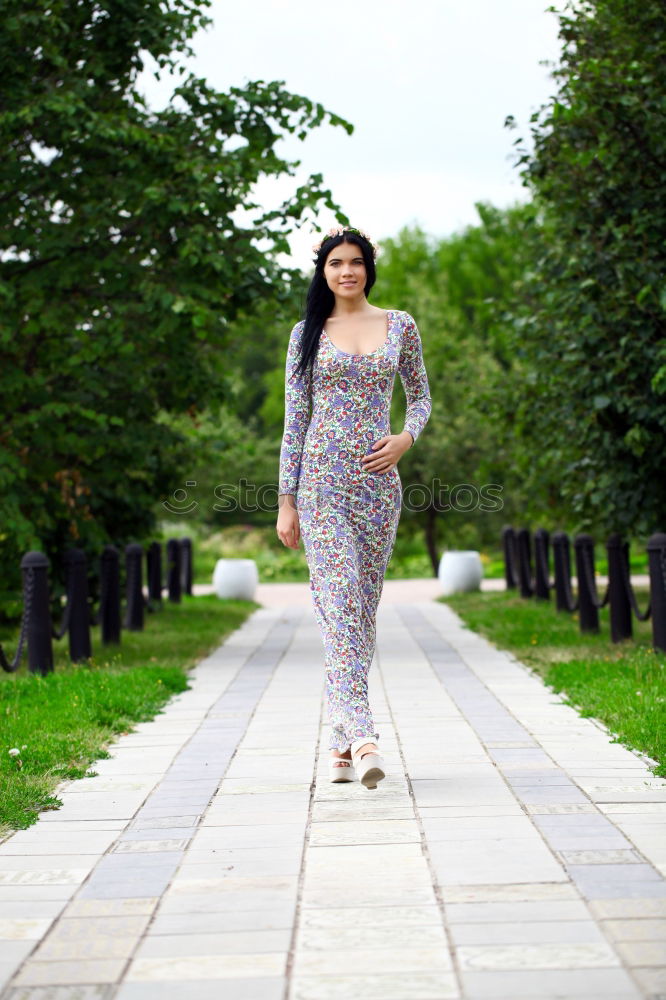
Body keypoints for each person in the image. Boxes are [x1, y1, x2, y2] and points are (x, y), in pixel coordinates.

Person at [276, 226, 432, 789]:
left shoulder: (400, 325)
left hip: (378, 491)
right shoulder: (306, 334)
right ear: (323, 271)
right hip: (320, 486)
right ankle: (364, 736)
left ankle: (338, 741)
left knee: (360, 616)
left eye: (356, 262)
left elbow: (420, 396)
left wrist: (405, 438)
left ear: (368, 268)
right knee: (339, 606)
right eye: (336, 263)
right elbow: (295, 419)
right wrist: (285, 501)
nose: (347, 271)